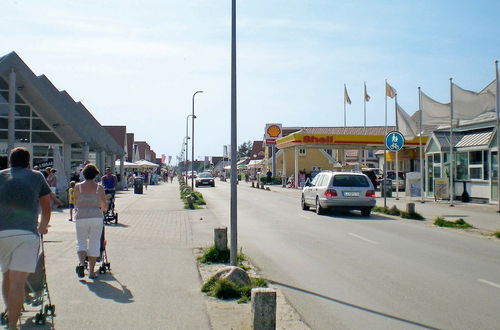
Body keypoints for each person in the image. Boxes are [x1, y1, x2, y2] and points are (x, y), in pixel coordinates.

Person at [0, 147, 52, 329]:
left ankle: (9, 313)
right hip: (25, 233)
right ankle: (13, 324)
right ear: (28, 162)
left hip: (2, 233)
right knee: (18, 282)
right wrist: (42, 227)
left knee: (6, 276)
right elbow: (46, 206)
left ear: (10, 162)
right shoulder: (37, 176)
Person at [74, 164, 106, 279]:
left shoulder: (78, 187)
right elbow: (104, 205)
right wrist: (101, 209)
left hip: (81, 216)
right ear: (95, 175)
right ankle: (92, 272)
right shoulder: (99, 188)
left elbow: (75, 203)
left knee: (81, 241)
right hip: (96, 217)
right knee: (94, 243)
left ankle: (82, 264)